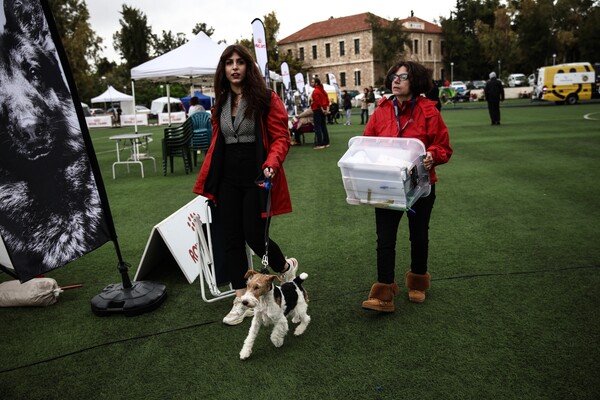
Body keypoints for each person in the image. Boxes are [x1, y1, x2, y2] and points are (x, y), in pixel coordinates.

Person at [193, 44, 298, 326]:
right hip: (227, 178)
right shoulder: (221, 101)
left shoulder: (266, 98)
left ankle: (284, 267)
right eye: (229, 63)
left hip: (257, 177)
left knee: (254, 236)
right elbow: (219, 142)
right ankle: (241, 300)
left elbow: (280, 137)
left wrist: (272, 164)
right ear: (223, 69)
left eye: (240, 62)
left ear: (248, 67)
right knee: (230, 237)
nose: (235, 67)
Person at [361, 60, 453, 313]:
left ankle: (418, 281)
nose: (396, 80)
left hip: (420, 187)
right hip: (386, 185)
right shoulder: (381, 110)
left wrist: (433, 155)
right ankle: (383, 292)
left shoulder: (429, 111)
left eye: (403, 77)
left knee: (419, 235)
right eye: (394, 76)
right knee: (385, 238)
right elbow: (366, 144)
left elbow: (444, 147)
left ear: (416, 82)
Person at [309, 76, 330, 149]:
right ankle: (326, 142)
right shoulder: (323, 90)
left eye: (312, 82)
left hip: (317, 110)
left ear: (316, 83)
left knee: (318, 127)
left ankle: (320, 143)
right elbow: (327, 100)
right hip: (323, 110)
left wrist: (322, 110)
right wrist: (326, 110)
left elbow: (318, 102)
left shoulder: (316, 91)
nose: (311, 83)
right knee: (323, 126)